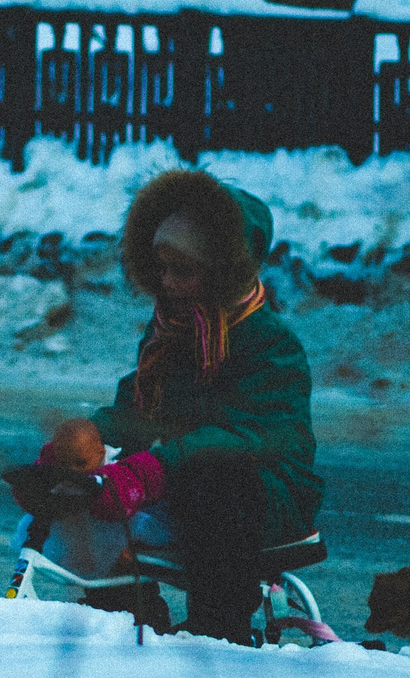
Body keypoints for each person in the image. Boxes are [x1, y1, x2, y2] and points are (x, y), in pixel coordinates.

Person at [23, 170, 320, 644]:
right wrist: (88, 443)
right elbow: (141, 408)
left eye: (183, 271)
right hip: (183, 475)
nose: (168, 282)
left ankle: (218, 627)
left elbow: (253, 434)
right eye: (161, 268)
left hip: (264, 489)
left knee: (217, 480)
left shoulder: (269, 342)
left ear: (222, 271)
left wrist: (152, 470)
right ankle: (123, 612)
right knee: (90, 494)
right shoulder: (171, 327)